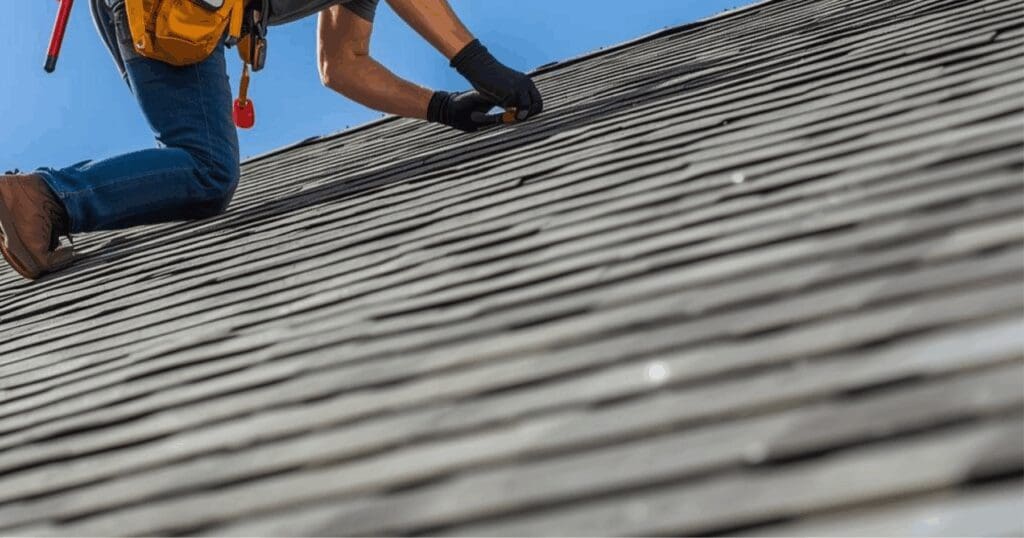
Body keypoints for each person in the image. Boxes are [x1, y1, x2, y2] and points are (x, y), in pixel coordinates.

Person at [0, 0, 543, 281]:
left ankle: (39, 201)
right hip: (172, 9)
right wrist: (480, 64)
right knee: (209, 170)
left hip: (184, 18)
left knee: (206, 169)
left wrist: (443, 108)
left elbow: (343, 65)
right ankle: (46, 199)